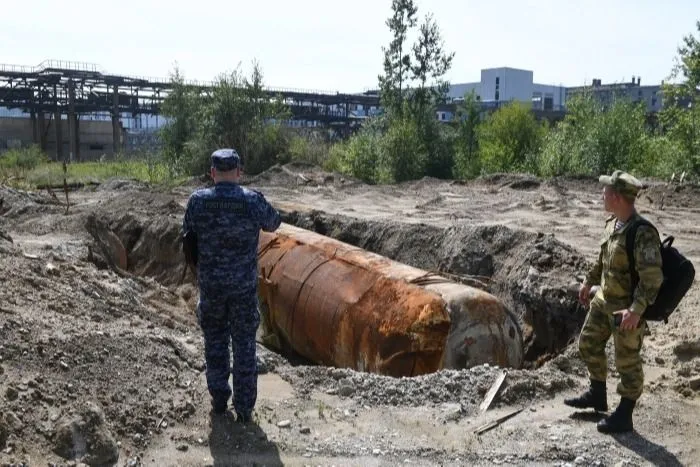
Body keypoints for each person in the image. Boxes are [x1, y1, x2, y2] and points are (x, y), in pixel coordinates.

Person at [182, 148, 281, 422]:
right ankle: (245, 409)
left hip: (212, 287)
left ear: (213, 173)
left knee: (215, 343)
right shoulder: (252, 201)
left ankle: (219, 401)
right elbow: (274, 223)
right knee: (245, 346)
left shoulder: (198, 201)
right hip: (243, 290)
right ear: (239, 172)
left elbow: (187, 238)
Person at [565, 170, 663, 434]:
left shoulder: (642, 233)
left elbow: (652, 279)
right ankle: (597, 395)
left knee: (627, 362)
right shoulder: (612, 224)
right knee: (587, 343)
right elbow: (602, 261)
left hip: (626, 311)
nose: (602, 195)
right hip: (603, 301)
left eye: (606, 191)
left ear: (617, 197)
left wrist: (636, 310)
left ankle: (625, 415)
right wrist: (588, 282)